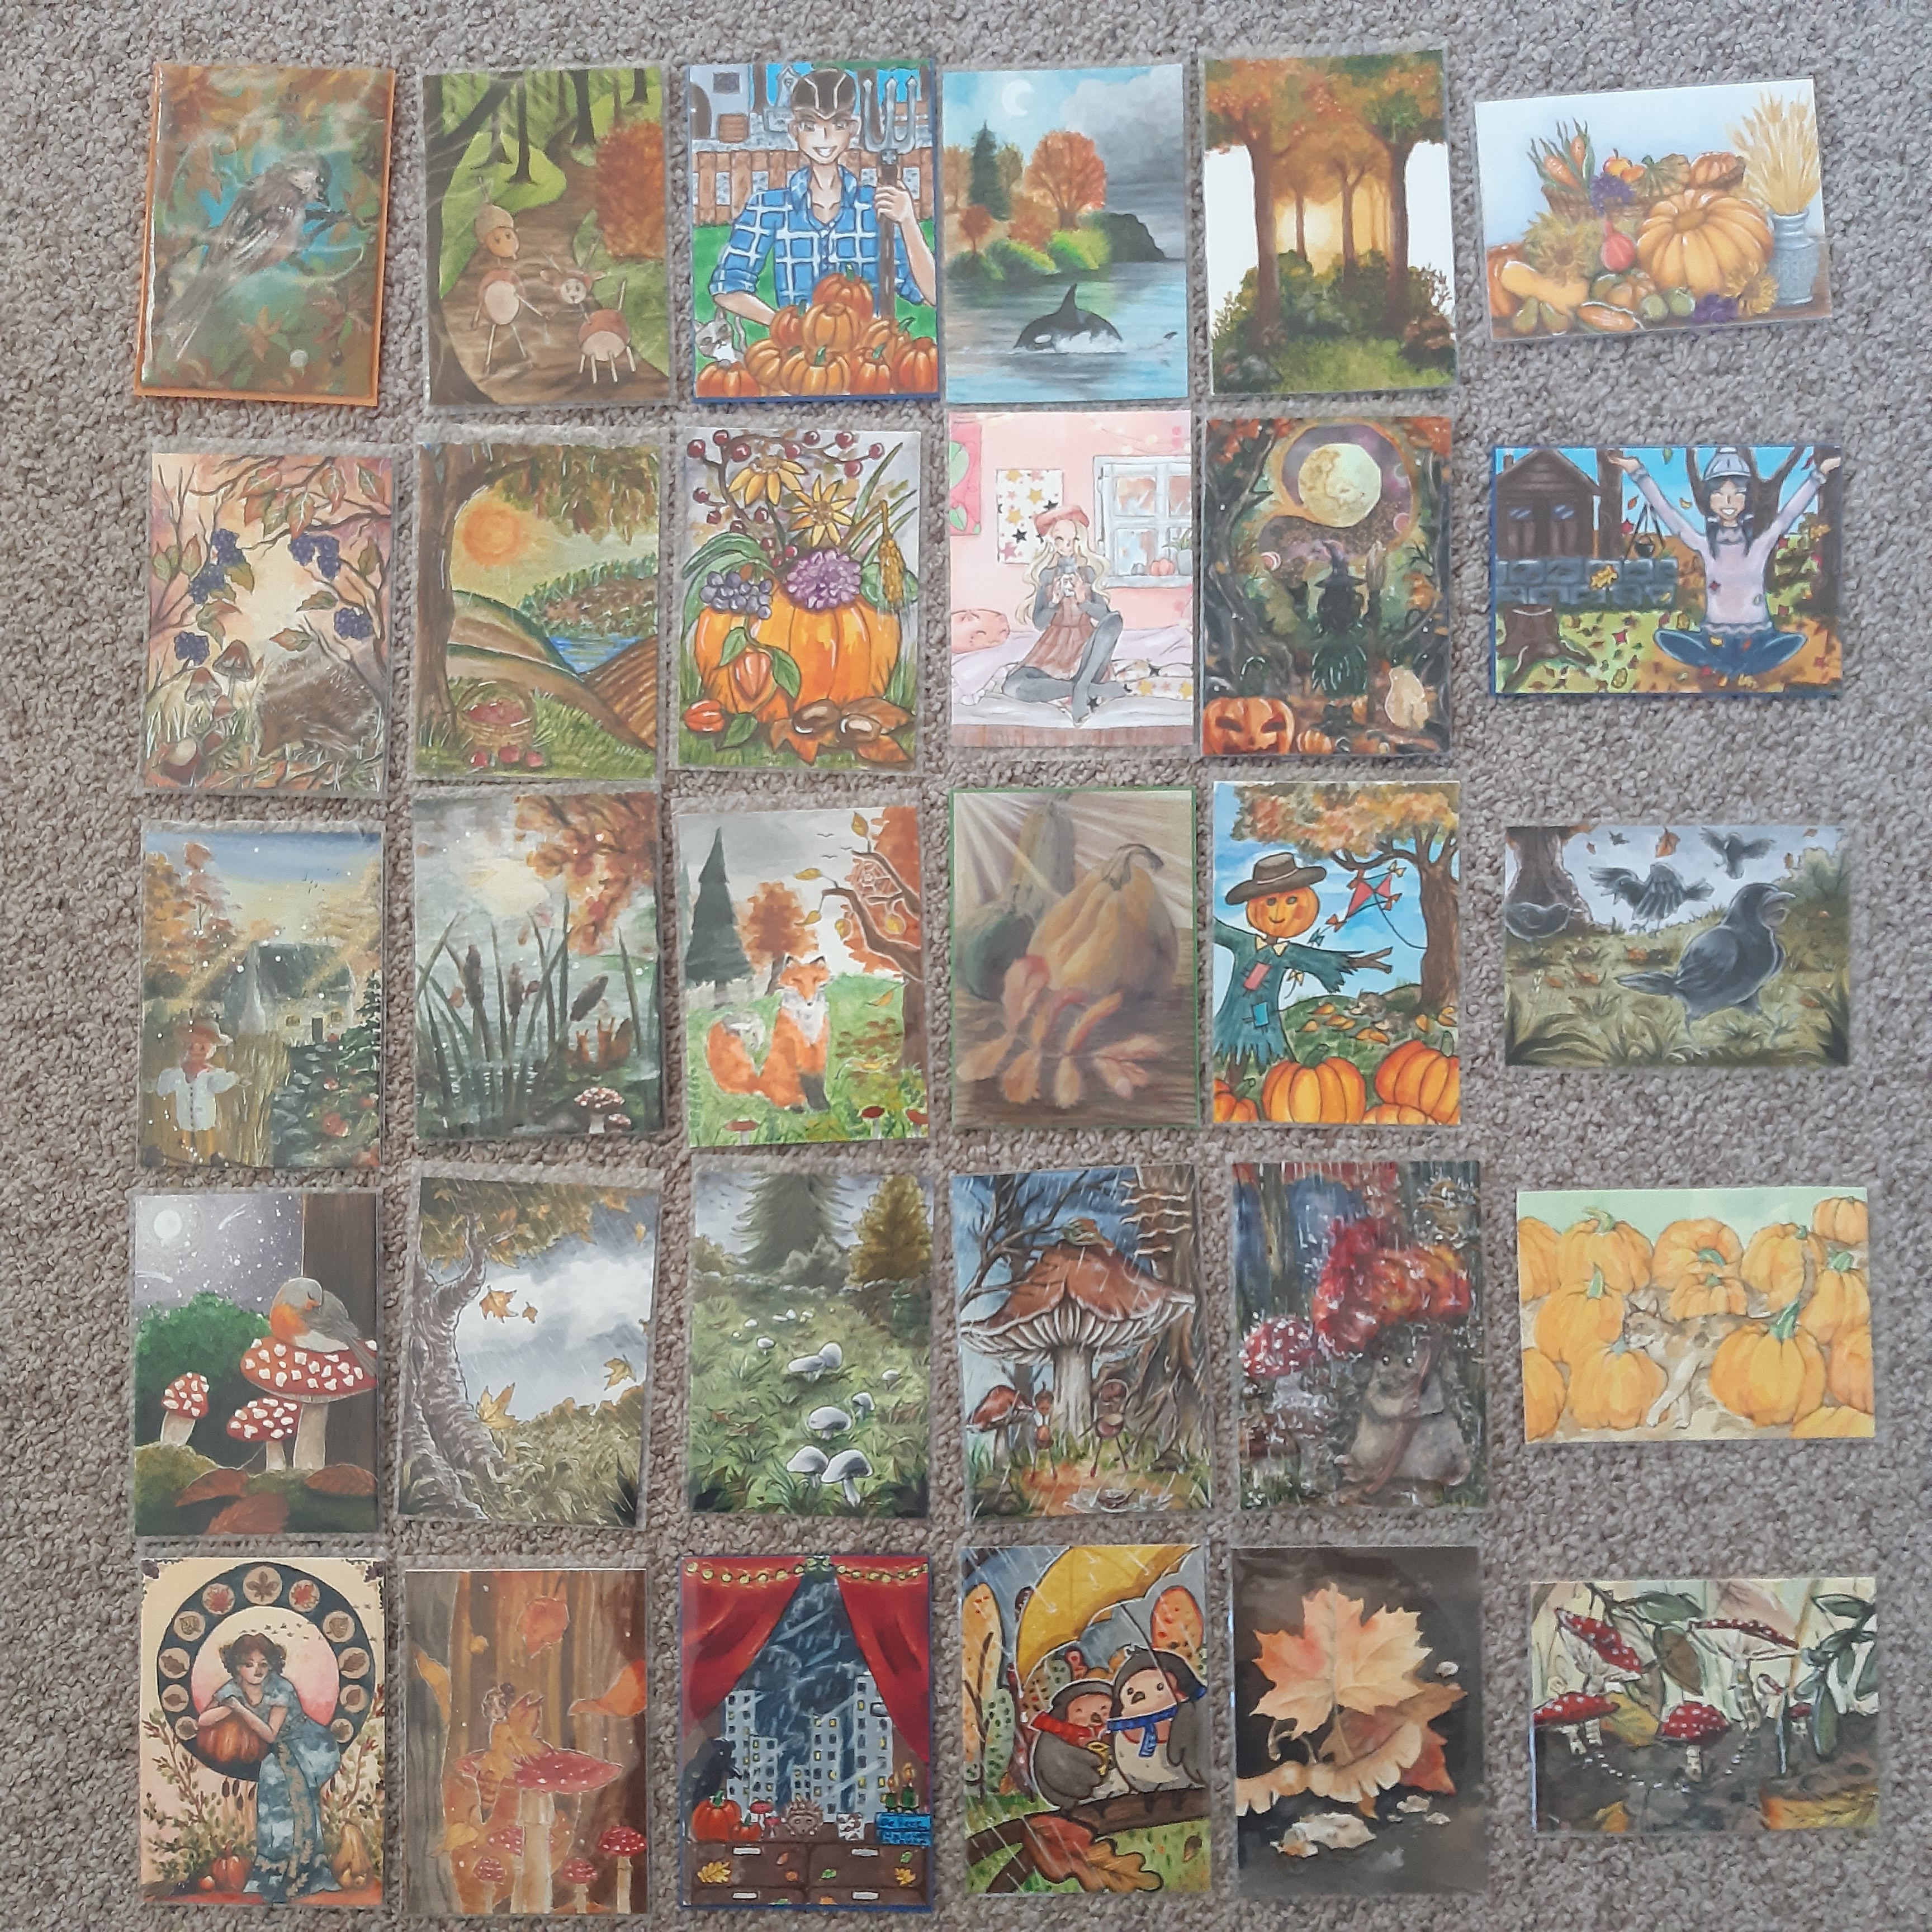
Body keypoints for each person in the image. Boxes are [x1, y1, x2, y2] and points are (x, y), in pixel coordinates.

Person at [709, 67, 935, 328]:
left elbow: (932, 294)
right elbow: (727, 287)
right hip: (799, 349)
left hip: (868, 347)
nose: (824, 137)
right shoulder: (769, 208)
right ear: (794, 130)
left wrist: (908, 222)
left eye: (837, 125)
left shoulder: (875, 207)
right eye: (811, 126)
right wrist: (786, 326)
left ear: (853, 129)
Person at [1609, 446, 1840, 679]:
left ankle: (1735, 662)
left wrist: (1818, 475)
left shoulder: (1760, 545)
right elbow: (1668, 514)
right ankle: (1726, 661)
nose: (1728, 501)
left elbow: (1789, 514)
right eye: (1719, 494)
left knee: (1789, 642)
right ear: (1709, 499)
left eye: (1737, 494)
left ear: (1747, 498)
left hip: (1757, 635)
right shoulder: (1705, 545)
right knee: (1668, 639)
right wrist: (1638, 473)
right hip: (1715, 636)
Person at [196, 1631, 342, 1901]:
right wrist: (229, 1708)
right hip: (277, 1752)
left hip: (307, 1745)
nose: (257, 1671)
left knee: (282, 1785)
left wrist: (240, 1709)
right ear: (236, 1666)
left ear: (272, 1665)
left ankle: (302, 1870)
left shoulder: (281, 1688)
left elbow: (270, 1734)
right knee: (271, 1785)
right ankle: (273, 1871)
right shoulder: (233, 1688)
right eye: (249, 1664)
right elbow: (203, 1720)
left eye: (264, 1664)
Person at [1213, 854, 1389, 1073]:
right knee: (1232, 1052)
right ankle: (1232, 1084)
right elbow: (1216, 929)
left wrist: (1360, 962)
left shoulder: (1288, 953)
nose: (1280, 912)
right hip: (1233, 1013)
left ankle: (1277, 1077)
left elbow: (1323, 961)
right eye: (1270, 902)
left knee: (1266, 1048)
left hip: (1262, 1013)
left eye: (1291, 901)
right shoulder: (1243, 943)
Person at [1002, 506, 1127, 721]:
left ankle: (1084, 682)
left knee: (1115, 620)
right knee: (1012, 686)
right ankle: (1084, 688)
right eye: (1060, 540)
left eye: (1073, 540)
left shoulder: (1088, 572)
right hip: (1054, 648)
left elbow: (1104, 616)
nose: (1067, 547)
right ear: (1052, 542)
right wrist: (1053, 602)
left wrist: (1083, 601)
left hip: (1086, 652)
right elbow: (1039, 623)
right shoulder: (1047, 576)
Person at [155, 1019, 240, 1164]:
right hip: (182, 1130)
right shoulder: (177, 1074)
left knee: (207, 1155)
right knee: (181, 1156)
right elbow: (161, 1088)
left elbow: (220, 1084)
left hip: (206, 1129)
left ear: (210, 1050)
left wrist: (236, 1078)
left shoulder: (212, 1075)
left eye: (202, 1047)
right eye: (191, 1046)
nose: (195, 1050)